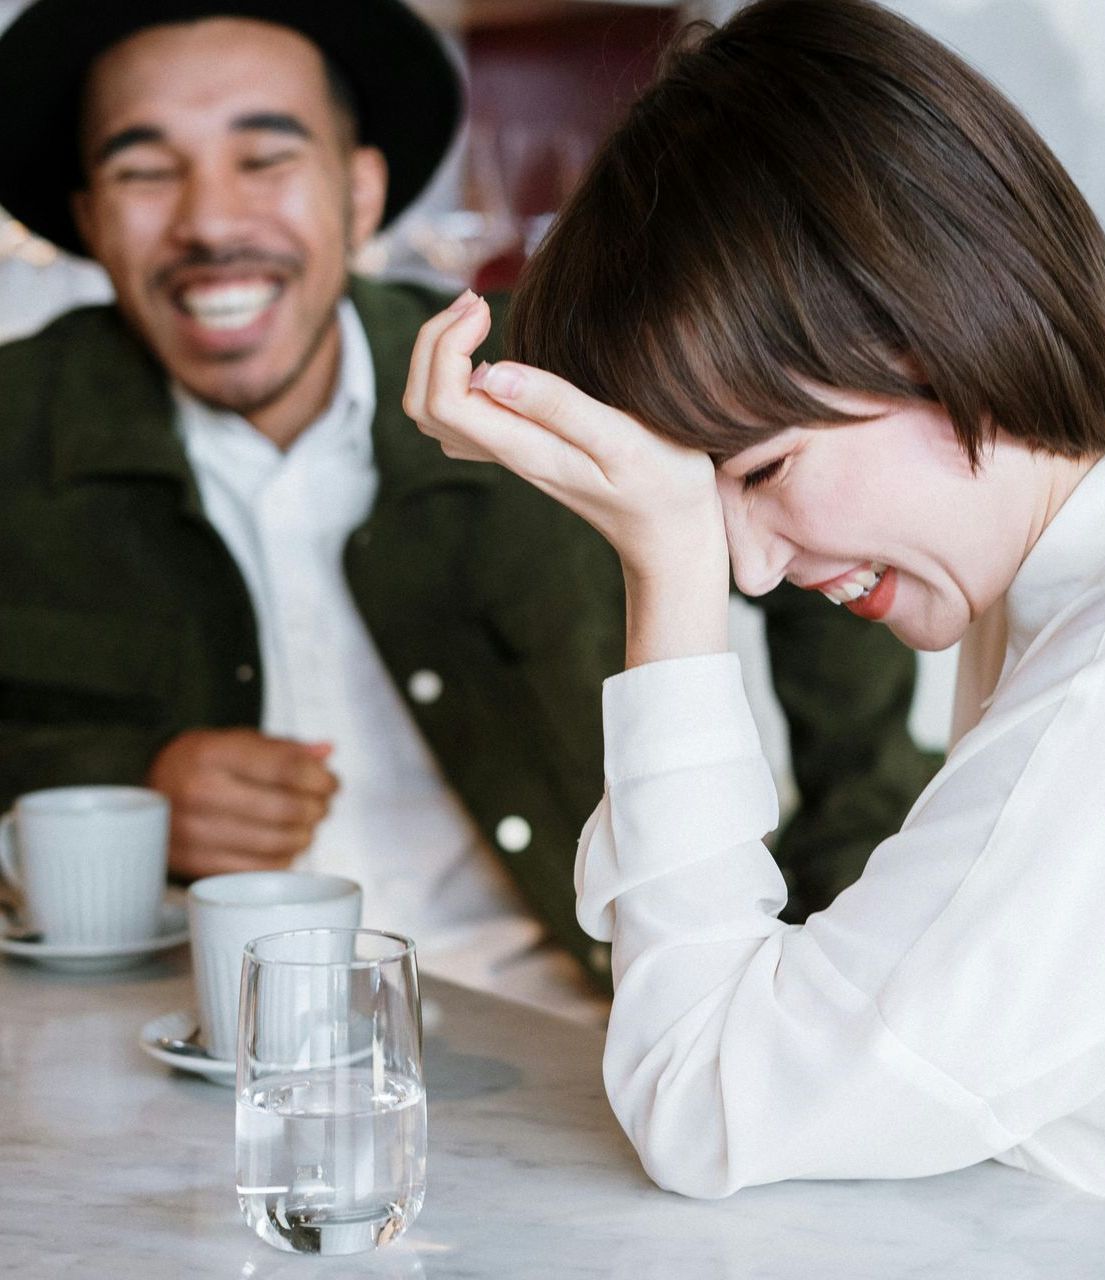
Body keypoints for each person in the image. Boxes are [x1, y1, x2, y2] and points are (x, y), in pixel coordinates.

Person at [405, 0, 1105, 1248]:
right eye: (708, 504)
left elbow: (702, 1099)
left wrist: (665, 563)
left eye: (760, 470)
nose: (749, 564)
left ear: (937, 323)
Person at [0, 0, 938, 1019]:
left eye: (264, 158)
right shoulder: (15, 428)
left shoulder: (552, 386)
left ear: (361, 193)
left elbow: (822, 560)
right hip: (169, 1052)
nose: (211, 222)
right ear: (90, 215)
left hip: (580, 1040)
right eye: (144, 171)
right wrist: (120, 794)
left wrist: (829, 925)